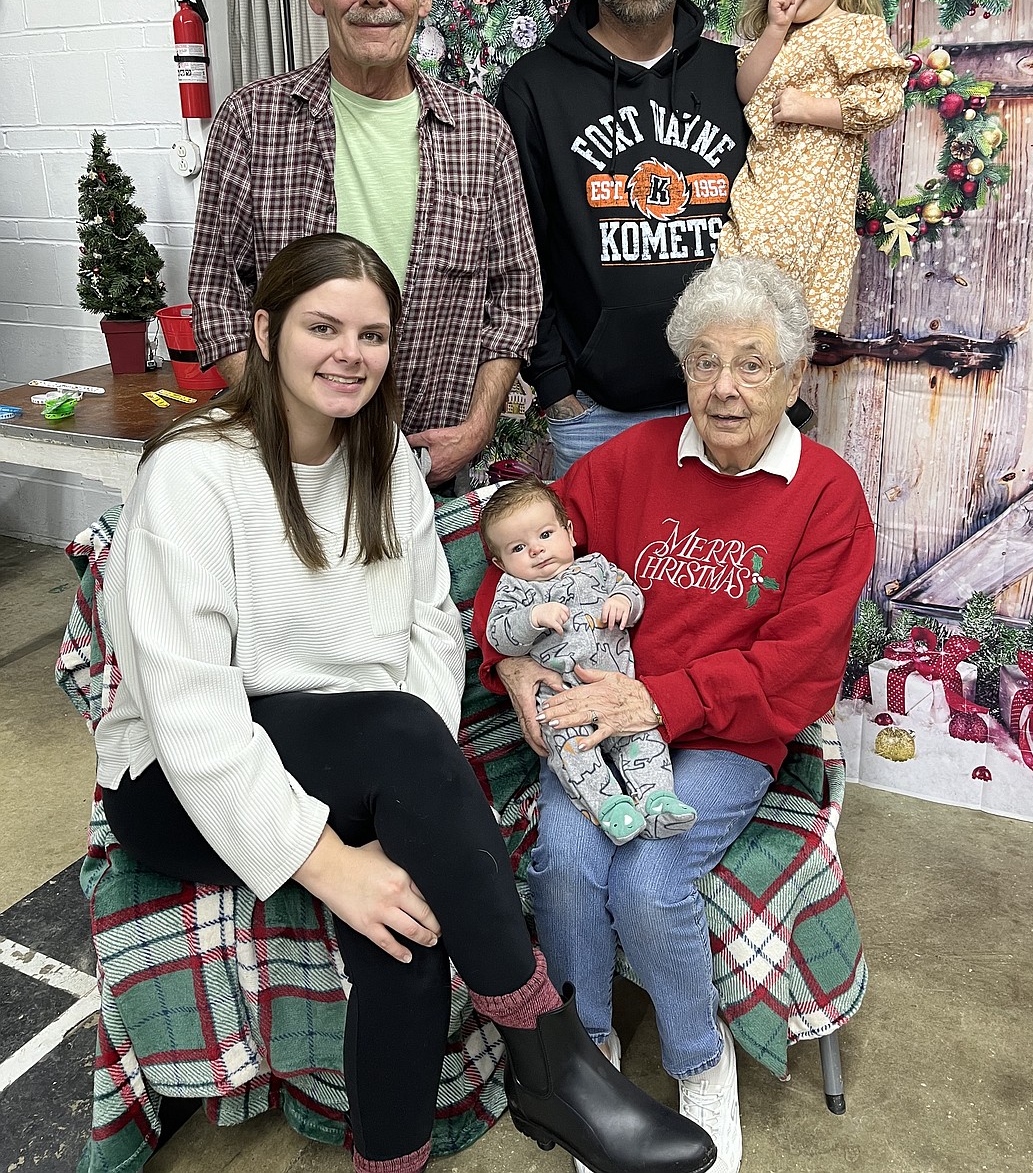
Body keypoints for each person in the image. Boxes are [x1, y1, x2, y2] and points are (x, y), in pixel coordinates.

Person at [95, 233, 714, 1173]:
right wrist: (325, 861)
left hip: (358, 757)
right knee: (391, 771)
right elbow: (187, 708)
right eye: (323, 326)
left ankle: (395, 1159)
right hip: (180, 780)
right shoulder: (193, 472)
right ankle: (551, 1060)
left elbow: (429, 627)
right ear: (264, 332)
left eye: (372, 335)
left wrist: (401, 798)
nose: (350, 352)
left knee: (412, 911)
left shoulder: (382, 454)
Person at [473, 255, 876, 1173]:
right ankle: (592, 1064)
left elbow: (801, 665)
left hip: (730, 732)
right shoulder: (628, 463)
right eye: (703, 362)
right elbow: (517, 561)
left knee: (647, 879)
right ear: (680, 366)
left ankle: (701, 1060)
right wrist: (519, 663)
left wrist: (655, 698)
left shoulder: (827, 495)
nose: (724, 389)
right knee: (567, 858)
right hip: (597, 721)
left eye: (751, 364)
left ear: (795, 371)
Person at [188, 0, 541, 488]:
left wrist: (477, 427)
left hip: (438, 472)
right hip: (295, 471)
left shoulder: (479, 132)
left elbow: (516, 297)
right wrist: (282, 421)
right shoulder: (254, 122)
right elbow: (216, 291)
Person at [497, 0, 747, 477]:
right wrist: (552, 384)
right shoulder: (535, 86)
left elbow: (781, 213)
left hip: (727, 402)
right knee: (596, 577)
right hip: (595, 414)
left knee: (720, 574)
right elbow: (516, 244)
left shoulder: (734, 75)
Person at [715, 0, 908, 334]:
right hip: (759, 195)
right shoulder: (774, 35)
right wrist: (775, 29)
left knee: (785, 320)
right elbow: (746, 90)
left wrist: (811, 108)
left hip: (812, 205)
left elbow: (884, 101)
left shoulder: (852, 30)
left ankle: (782, 399)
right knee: (735, 310)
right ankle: (757, 394)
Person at [480, 477, 695, 845]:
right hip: (560, 699)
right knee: (572, 754)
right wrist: (531, 619)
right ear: (500, 563)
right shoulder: (514, 590)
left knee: (642, 740)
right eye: (519, 547)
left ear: (569, 532)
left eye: (545, 535)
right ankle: (611, 808)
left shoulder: (597, 567)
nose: (536, 550)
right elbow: (498, 634)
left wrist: (624, 604)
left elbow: (632, 592)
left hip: (619, 690)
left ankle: (658, 800)